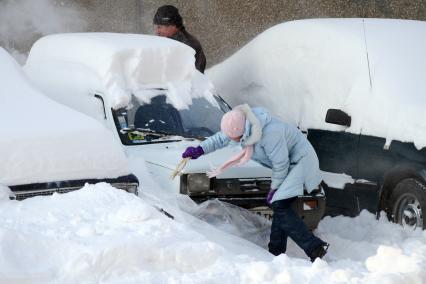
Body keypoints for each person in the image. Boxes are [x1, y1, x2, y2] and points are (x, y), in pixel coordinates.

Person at [181, 104, 329, 262]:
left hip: (300, 163)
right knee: (280, 205)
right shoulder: (242, 126)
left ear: (241, 133)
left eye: (233, 138)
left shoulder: (270, 133)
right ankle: (276, 252)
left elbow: (281, 165)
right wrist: (199, 150)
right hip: (289, 165)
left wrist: (274, 189)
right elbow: (219, 139)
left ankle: (315, 247)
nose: (230, 140)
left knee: (279, 204)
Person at [153, 4, 206, 73]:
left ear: (173, 26)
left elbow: (193, 76)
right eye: (156, 27)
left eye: (160, 27)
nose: (157, 31)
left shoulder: (188, 44)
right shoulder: (166, 40)